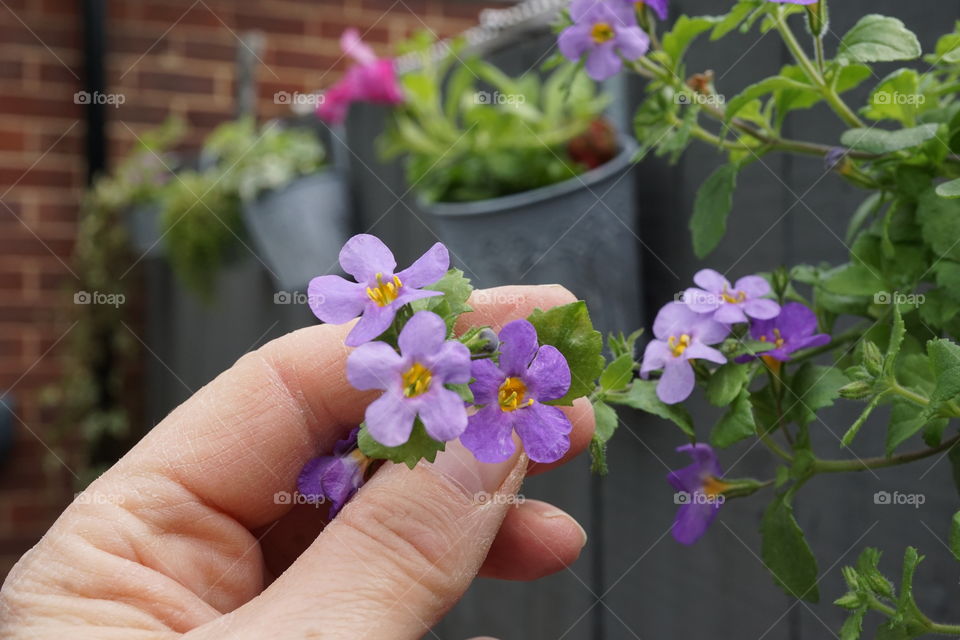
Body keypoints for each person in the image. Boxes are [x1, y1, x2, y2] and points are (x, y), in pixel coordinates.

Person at [0, 285, 594, 639]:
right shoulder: (408, 386)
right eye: (508, 395)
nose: (511, 399)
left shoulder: (457, 373)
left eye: (514, 397)